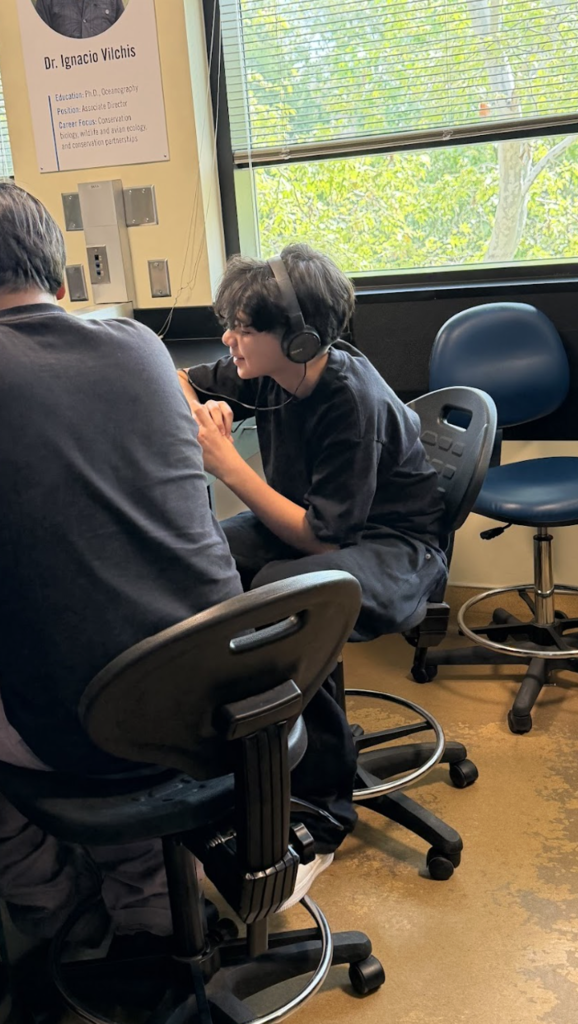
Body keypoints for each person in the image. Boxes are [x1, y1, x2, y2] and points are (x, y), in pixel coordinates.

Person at [0, 179, 244, 945]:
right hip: (217, 687)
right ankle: (151, 903)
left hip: (95, 722)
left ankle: (53, 912)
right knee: (108, 654)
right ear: (61, 281)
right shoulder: (141, 343)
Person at [178, 244, 449, 889]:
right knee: (208, 558)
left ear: (297, 340)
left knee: (290, 600)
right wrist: (203, 407)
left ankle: (324, 809)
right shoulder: (266, 371)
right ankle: (256, 747)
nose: (229, 338)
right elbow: (181, 379)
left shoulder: (347, 401)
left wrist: (228, 464)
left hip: (398, 546)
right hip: (325, 529)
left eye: (244, 327)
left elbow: (324, 541)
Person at [34, 0, 124, 38]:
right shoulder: (46, 2)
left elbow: (125, 38)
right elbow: (39, 43)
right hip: (63, 75)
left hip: (105, 74)